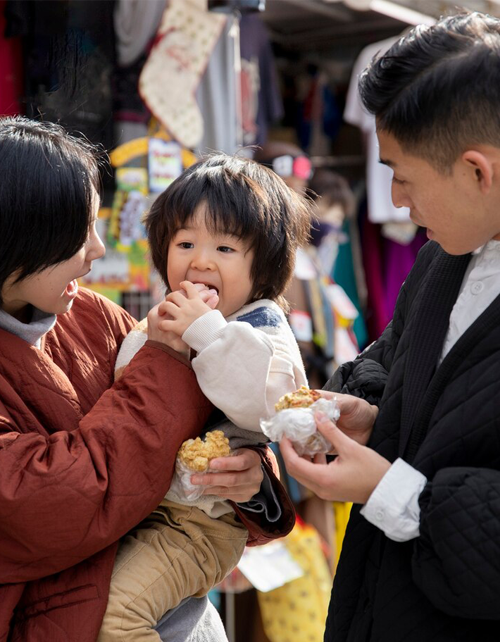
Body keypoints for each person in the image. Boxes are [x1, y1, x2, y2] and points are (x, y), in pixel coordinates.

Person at [0, 117, 295, 642]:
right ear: (9, 243)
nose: (98, 250)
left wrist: (252, 481)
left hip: (179, 612)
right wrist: (167, 359)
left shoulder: (93, 315)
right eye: (79, 233)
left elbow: (213, 418)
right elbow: (46, 507)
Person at [279, 11, 500, 641]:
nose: (394, 200)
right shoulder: (446, 256)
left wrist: (396, 492)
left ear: (479, 171)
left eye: (402, 174)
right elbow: (392, 359)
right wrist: (367, 411)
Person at [100, 154, 312, 640]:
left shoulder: (262, 327)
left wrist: (207, 333)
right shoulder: (157, 320)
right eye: (185, 242)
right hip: (147, 512)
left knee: (114, 617)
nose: (200, 260)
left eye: (225, 246)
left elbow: (273, 405)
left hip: (200, 525)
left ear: (264, 265)